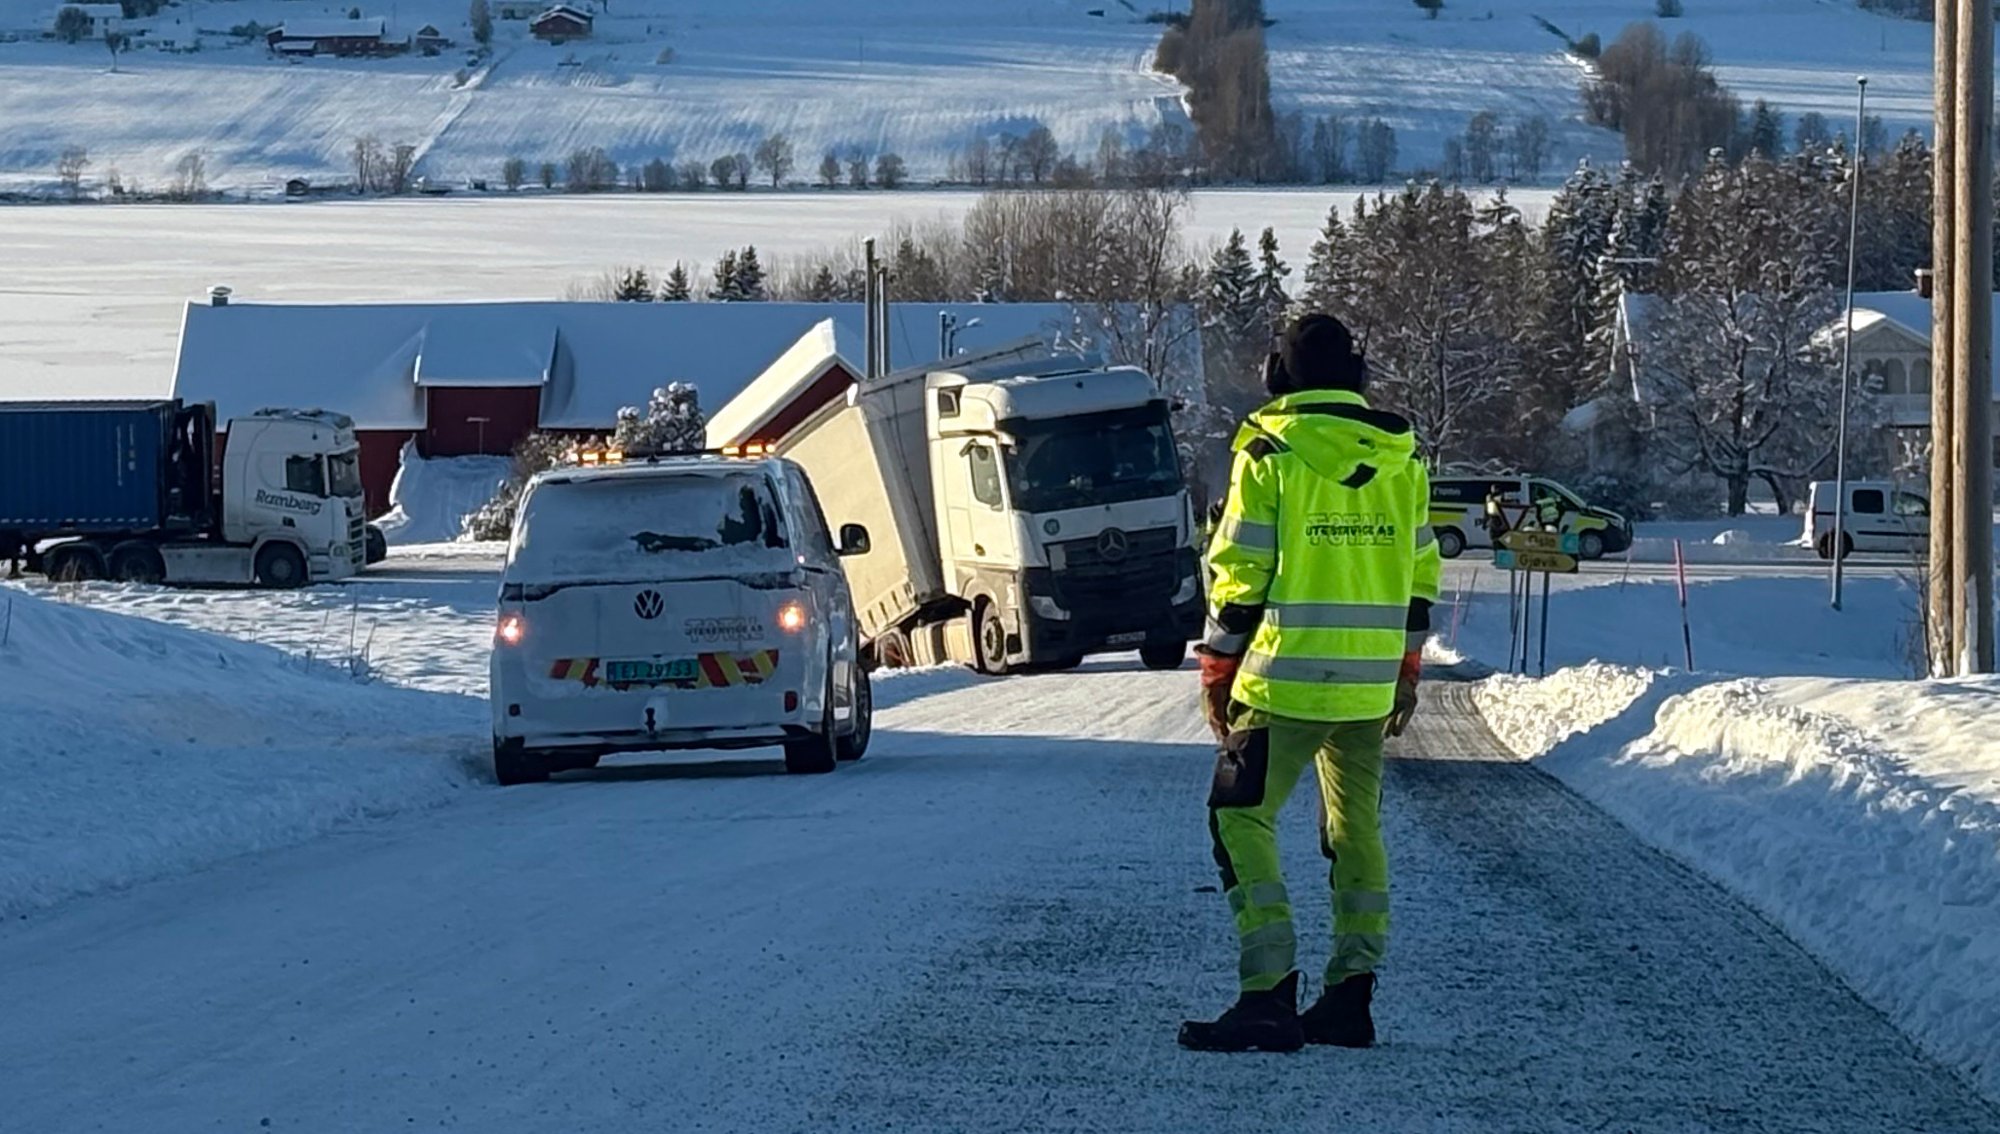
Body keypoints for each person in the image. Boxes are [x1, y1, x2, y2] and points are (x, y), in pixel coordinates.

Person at [1180, 313, 1441, 1053]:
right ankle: (1350, 996)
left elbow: (1239, 574)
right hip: (1368, 688)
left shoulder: (1269, 453)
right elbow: (1421, 575)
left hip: (1282, 681)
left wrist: (1218, 666)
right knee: (1356, 831)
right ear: (1357, 374)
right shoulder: (1403, 460)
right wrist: (1406, 667)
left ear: (1277, 375)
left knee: (1240, 818)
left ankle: (1267, 991)